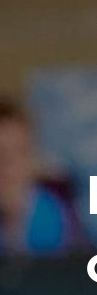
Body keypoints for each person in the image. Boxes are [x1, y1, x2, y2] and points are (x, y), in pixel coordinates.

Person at [0, 98, 74, 256]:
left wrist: (15, 218)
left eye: (19, 153)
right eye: (1, 153)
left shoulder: (51, 213)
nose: (8, 164)